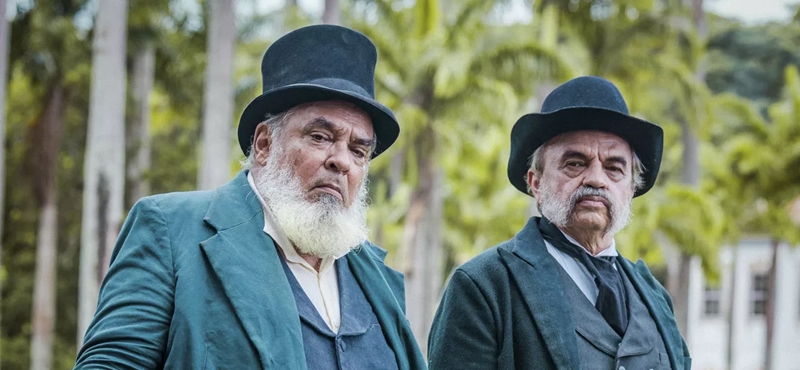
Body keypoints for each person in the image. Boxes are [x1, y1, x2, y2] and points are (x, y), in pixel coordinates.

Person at [75, 24, 425, 370]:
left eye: (358, 151)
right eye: (319, 136)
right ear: (263, 144)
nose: (342, 161)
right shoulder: (169, 227)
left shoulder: (377, 278)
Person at [427, 76, 691, 370]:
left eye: (614, 168)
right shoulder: (484, 286)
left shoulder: (655, 297)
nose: (595, 179)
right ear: (536, 183)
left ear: (631, 189)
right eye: (575, 163)